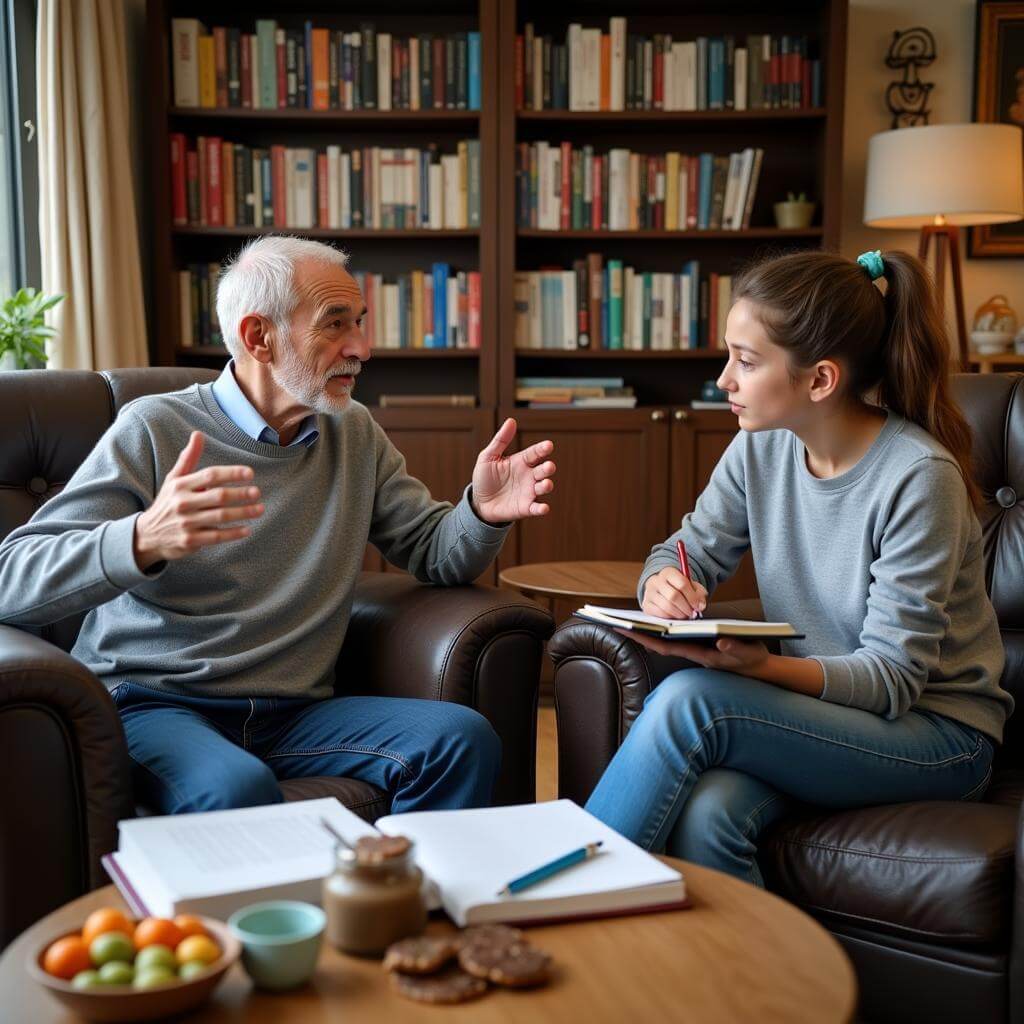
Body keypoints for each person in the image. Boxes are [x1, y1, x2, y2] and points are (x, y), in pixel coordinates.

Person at [0, 235, 557, 816]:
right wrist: (141, 539)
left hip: (293, 714)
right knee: (235, 790)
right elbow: (10, 579)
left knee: (460, 741)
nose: (362, 348)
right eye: (335, 324)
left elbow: (434, 552)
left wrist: (480, 512)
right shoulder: (155, 428)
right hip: (154, 705)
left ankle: (403, 903)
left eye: (360, 323)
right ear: (258, 337)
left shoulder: (354, 433)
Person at [584, 249, 1012, 886]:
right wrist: (660, 584)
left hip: (939, 736)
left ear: (820, 380)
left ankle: (554, 905)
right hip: (832, 718)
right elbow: (685, 550)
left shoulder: (920, 479)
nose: (724, 380)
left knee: (692, 702)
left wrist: (762, 667)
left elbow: (894, 679)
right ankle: (748, 987)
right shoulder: (759, 445)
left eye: (746, 362)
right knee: (709, 816)